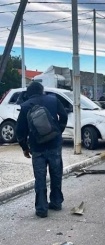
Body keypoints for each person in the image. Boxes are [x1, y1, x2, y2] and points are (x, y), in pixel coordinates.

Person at [15, 82, 68, 218]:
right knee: (56, 174)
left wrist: (25, 148)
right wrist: (58, 131)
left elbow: (20, 130)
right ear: (42, 90)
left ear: (29, 92)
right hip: (55, 145)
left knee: (40, 178)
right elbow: (64, 116)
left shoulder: (26, 106)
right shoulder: (53, 100)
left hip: (37, 147)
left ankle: (41, 209)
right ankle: (56, 202)